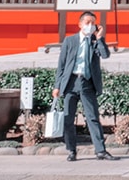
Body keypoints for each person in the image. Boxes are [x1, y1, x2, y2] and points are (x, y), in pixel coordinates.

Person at [53, 11, 111, 161]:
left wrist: (99, 38)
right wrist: (57, 86)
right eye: (87, 23)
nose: (90, 26)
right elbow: (62, 65)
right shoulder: (70, 41)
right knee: (68, 119)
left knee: (92, 117)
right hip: (70, 83)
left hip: (87, 83)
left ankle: (100, 151)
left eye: (93, 23)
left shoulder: (94, 41)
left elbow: (105, 55)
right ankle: (71, 150)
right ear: (80, 24)